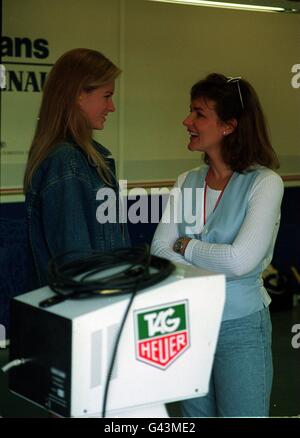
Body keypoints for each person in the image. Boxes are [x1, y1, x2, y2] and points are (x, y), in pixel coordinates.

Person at [151, 73, 284, 417]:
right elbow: (158, 252)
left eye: (198, 114)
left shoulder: (265, 183)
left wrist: (185, 245)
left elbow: (241, 261)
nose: (187, 121)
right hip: (190, 324)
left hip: (241, 328)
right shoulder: (187, 181)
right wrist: (209, 257)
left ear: (228, 126)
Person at [24, 48, 130, 288]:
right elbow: (76, 266)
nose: (111, 107)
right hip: (87, 311)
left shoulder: (85, 158)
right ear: (78, 95)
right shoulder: (66, 162)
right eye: (107, 96)